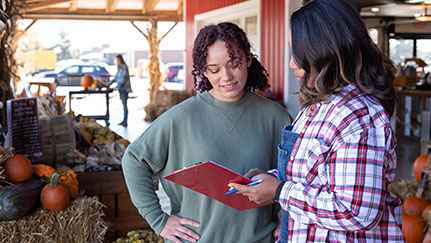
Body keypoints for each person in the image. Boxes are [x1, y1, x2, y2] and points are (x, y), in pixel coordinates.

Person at [229, 0, 405, 242]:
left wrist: (280, 191)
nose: (292, 63)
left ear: (325, 53)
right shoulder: (316, 107)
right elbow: (316, 178)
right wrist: (271, 179)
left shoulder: (359, 117)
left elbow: (356, 213)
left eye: (298, 54)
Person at [121, 22, 292, 243]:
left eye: (234, 64)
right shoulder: (182, 117)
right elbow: (134, 159)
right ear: (203, 70)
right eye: (214, 69)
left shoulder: (277, 117)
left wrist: (284, 216)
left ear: (248, 59)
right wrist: (158, 220)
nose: (227, 76)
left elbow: (294, 180)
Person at [109, 54, 131, 127]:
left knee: (125, 105)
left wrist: (115, 87)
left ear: (120, 60)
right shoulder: (120, 68)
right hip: (121, 89)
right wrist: (108, 84)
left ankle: (125, 120)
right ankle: (124, 120)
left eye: (117, 60)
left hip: (124, 89)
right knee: (123, 104)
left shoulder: (124, 67)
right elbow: (116, 78)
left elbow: (122, 80)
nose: (117, 62)